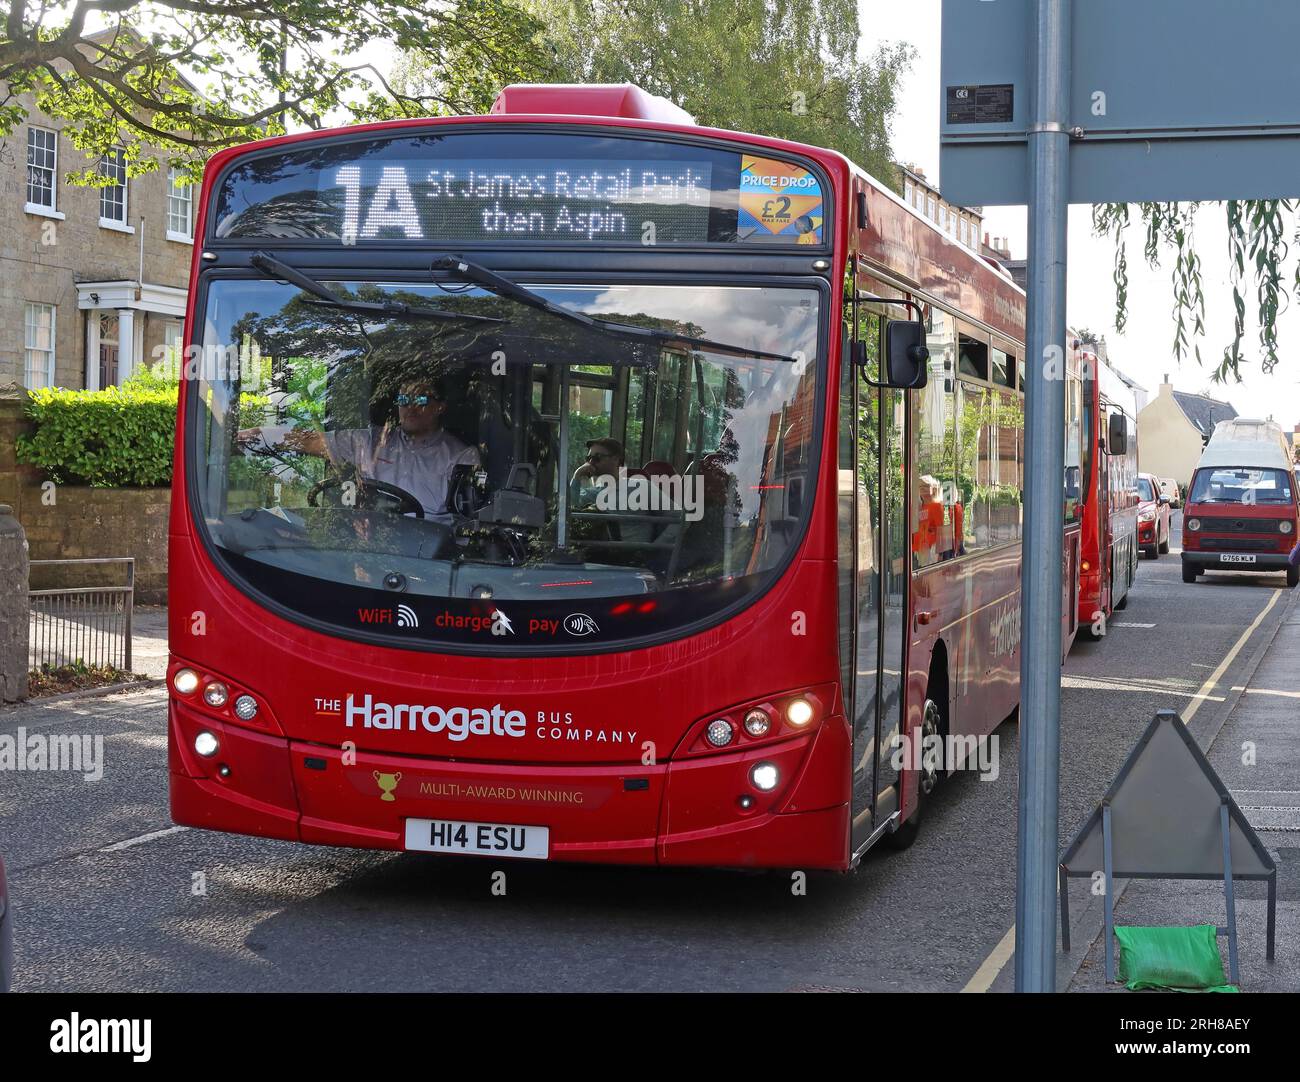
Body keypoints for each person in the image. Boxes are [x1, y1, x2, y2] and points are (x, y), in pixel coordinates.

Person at [239, 378, 479, 522]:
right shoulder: (369, 441)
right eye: (404, 401)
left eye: (422, 400)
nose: (410, 408)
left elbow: (465, 523)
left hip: (430, 554)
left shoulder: (461, 456)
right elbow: (306, 440)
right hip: (368, 543)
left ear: (440, 407)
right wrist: (250, 437)